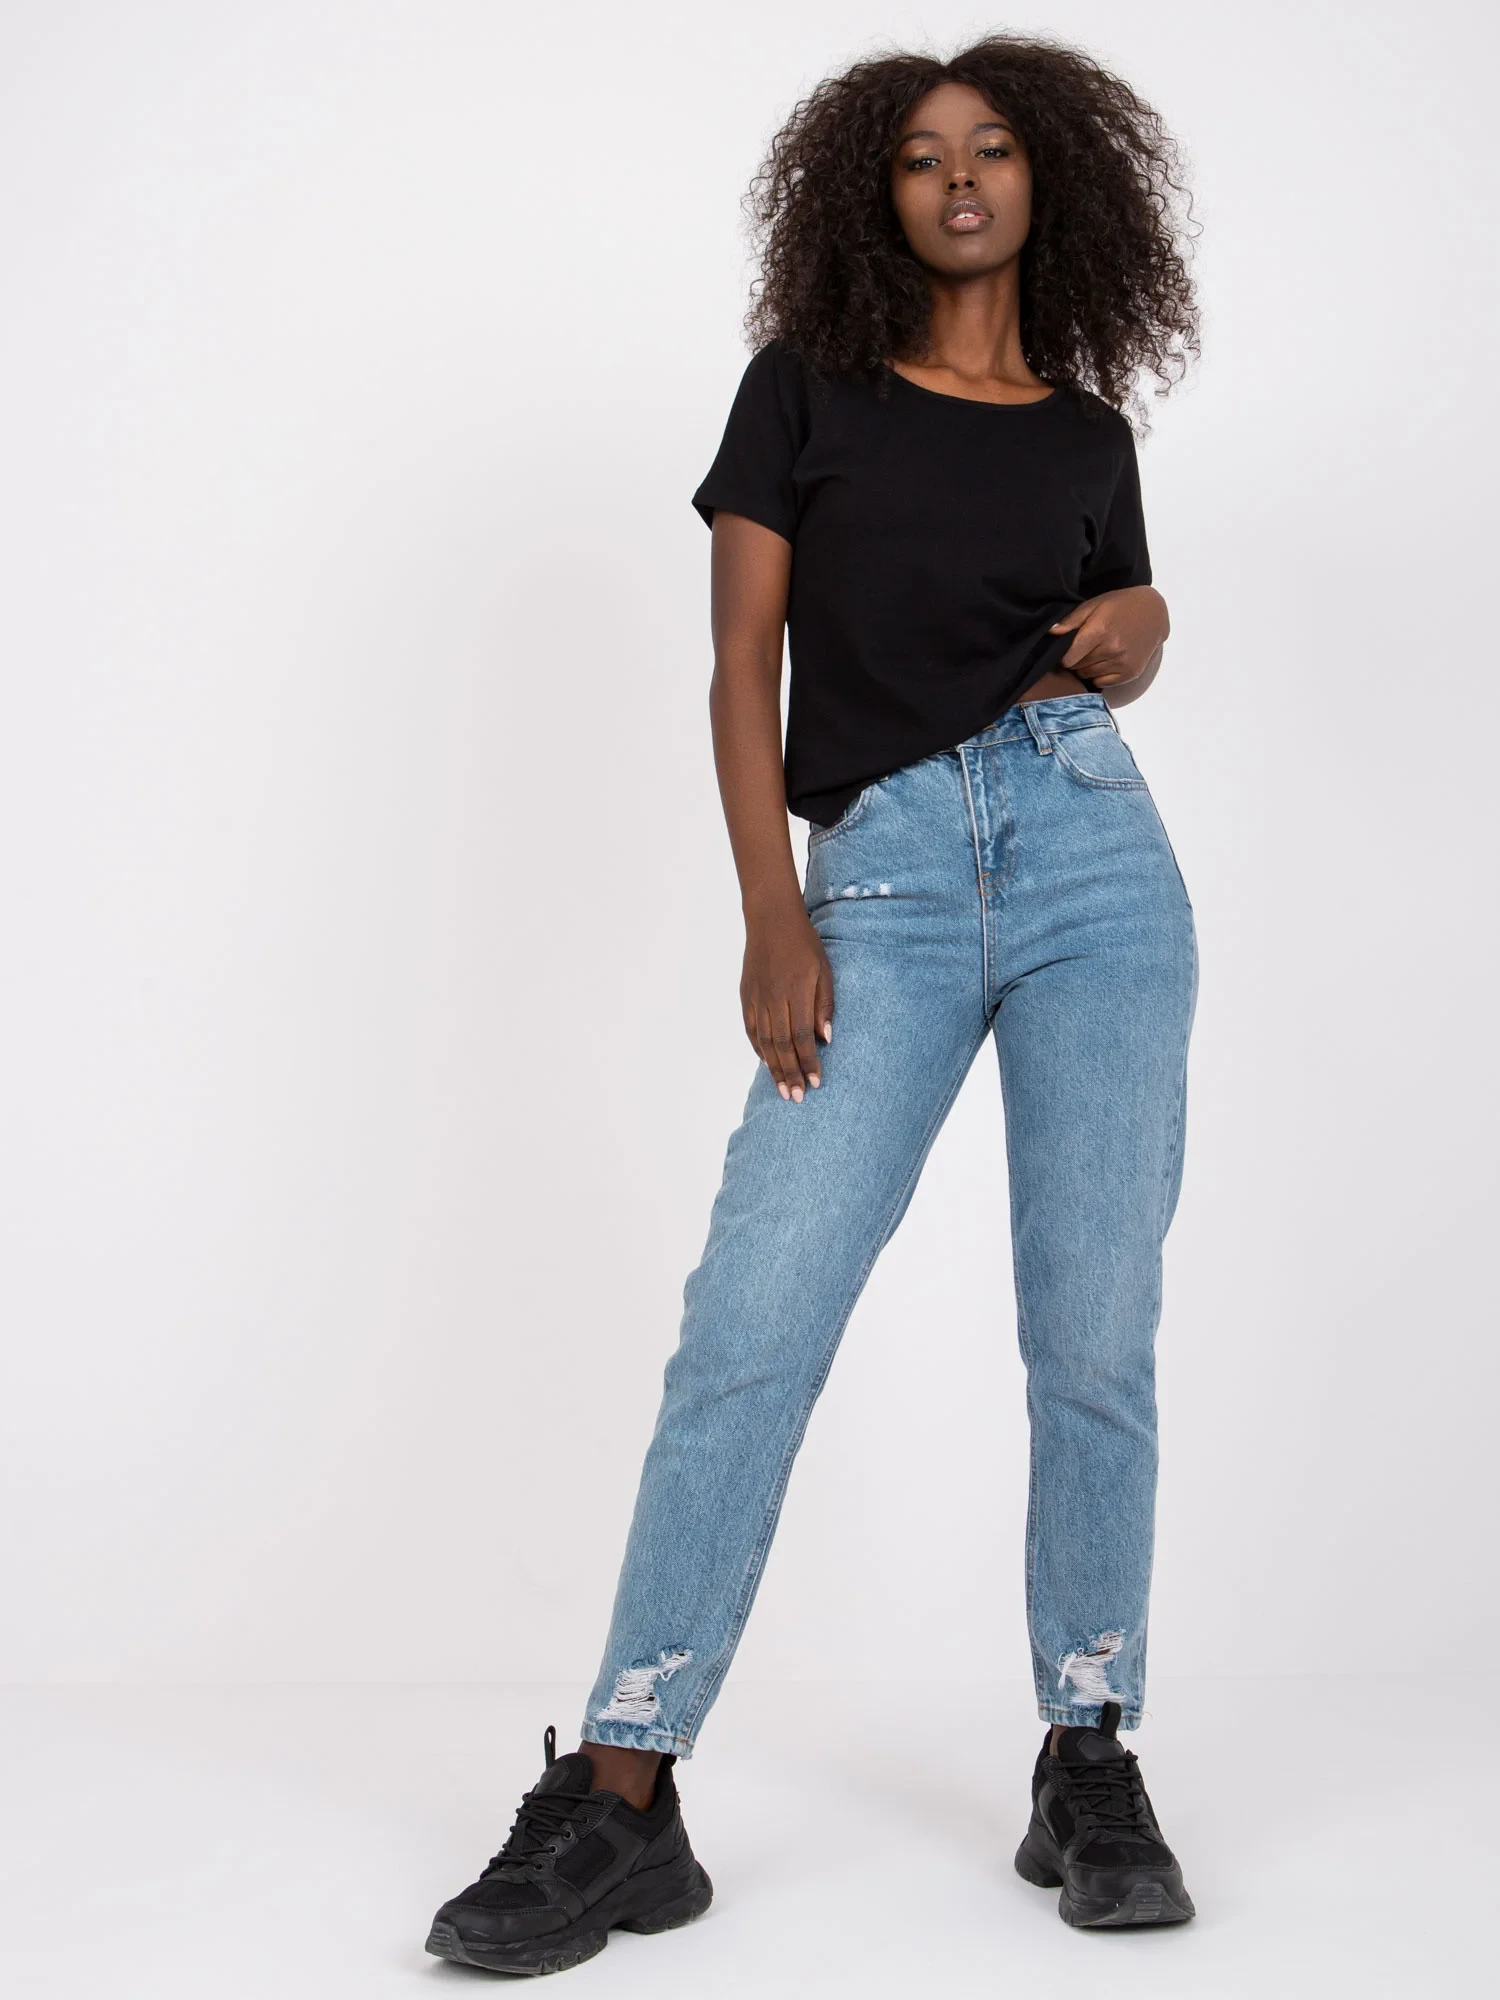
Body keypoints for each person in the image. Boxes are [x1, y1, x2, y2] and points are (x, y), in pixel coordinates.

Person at [426, 32, 1201, 1975]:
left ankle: (1088, 1748)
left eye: (994, 148)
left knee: (1093, 1334)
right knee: (751, 1325)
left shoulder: (1087, 430)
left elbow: (1112, 633)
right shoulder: (805, 391)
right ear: (874, 194)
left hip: (1096, 861)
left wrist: (1151, 621)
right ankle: (625, 1790)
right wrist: (776, 912)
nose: (962, 178)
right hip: (880, 878)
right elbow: (740, 662)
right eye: (923, 156)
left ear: (1051, 181)